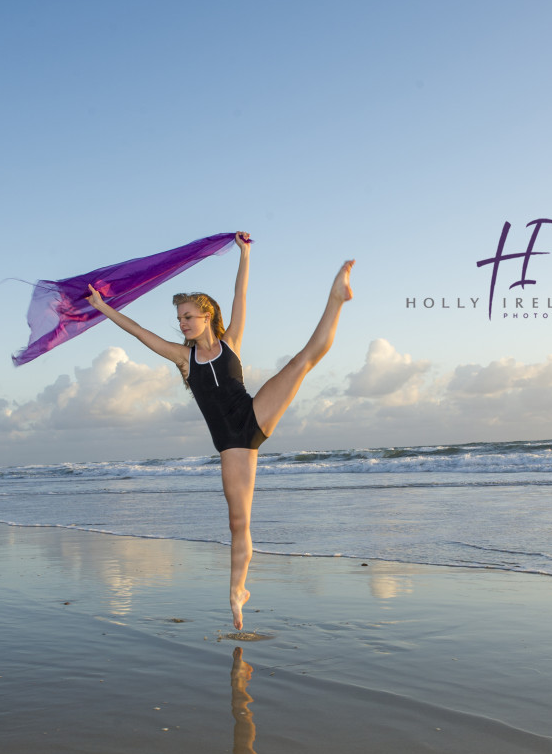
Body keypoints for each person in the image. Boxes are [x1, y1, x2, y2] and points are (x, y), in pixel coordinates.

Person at [86, 233, 354, 629]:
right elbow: (139, 332)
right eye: (179, 318)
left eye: (188, 316)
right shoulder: (183, 357)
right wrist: (103, 308)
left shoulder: (232, 342)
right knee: (238, 522)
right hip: (233, 443)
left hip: (252, 414)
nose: (182, 323)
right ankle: (237, 592)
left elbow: (240, 293)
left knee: (303, 360)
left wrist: (244, 254)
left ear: (207, 316)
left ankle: (337, 298)